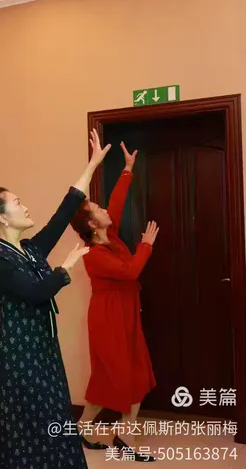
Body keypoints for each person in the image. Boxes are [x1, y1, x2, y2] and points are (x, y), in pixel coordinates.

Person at [0, 129, 110, 469]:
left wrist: (91, 166)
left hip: (43, 350)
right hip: (17, 357)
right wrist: (64, 270)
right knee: (27, 430)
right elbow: (35, 293)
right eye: (18, 203)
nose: (26, 206)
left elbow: (63, 214)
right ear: (2, 217)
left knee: (55, 421)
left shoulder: (31, 249)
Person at [70, 142, 158, 462]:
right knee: (119, 375)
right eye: (98, 210)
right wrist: (146, 246)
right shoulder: (93, 255)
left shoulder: (112, 235)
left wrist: (127, 169)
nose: (105, 210)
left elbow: (116, 204)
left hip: (124, 312)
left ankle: (92, 430)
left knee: (127, 373)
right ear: (92, 225)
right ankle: (121, 436)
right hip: (109, 318)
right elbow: (130, 271)